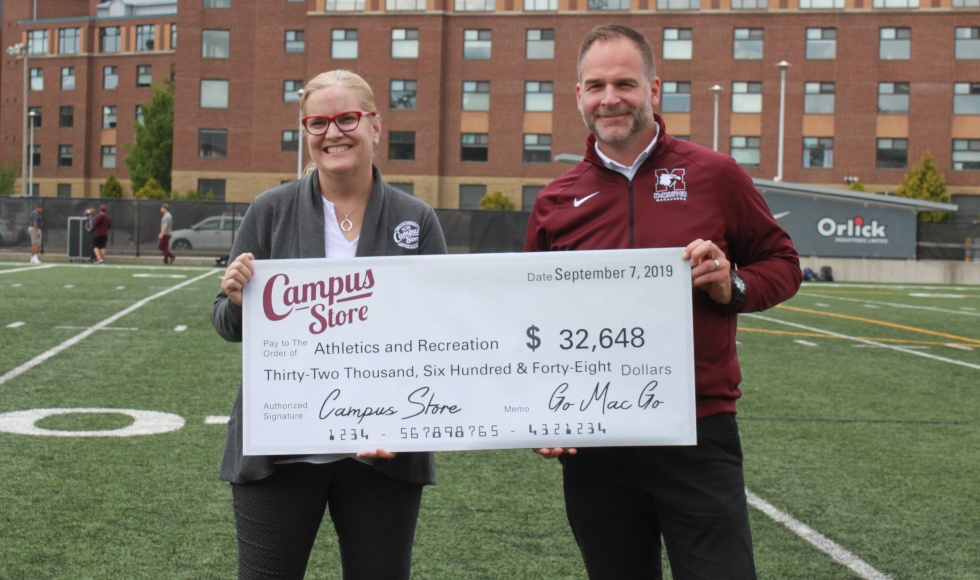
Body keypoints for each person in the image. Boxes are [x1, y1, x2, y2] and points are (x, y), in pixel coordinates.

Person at [524, 25, 802, 580]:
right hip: (595, 439)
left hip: (696, 430)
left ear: (653, 90)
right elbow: (531, 319)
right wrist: (541, 412)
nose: (611, 98)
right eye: (596, 85)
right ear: (578, 95)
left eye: (625, 83)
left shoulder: (715, 174)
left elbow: (783, 264)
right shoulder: (555, 200)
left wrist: (731, 286)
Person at [212, 70, 447, 579]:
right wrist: (236, 300)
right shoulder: (268, 210)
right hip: (280, 448)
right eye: (317, 122)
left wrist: (407, 423)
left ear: (375, 126)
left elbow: (439, 336)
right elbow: (228, 325)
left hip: (381, 452)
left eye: (347, 118)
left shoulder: (417, 218)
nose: (332, 132)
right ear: (304, 130)